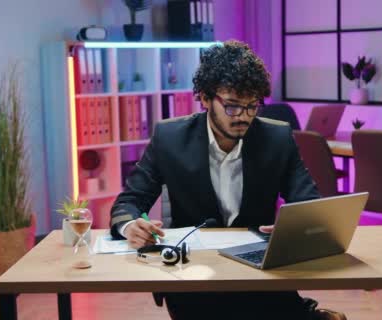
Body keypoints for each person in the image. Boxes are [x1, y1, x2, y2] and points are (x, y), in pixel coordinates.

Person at [110, 40, 346, 320]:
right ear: (206, 98)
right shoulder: (170, 139)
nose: (244, 117)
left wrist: (294, 226)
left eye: (252, 106)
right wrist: (130, 227)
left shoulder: (277, 138)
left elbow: (308, 203)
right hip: (193, 278)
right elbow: (129, 202)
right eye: (233, 107)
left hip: (259, 275)